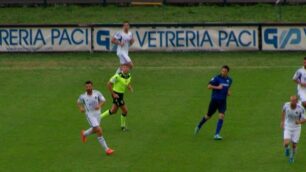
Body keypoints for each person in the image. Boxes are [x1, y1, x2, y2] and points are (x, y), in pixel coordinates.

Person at [194, 65, 233, 140]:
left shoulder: (229, 80)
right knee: (208, 116)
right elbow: (208, 86)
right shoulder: (216, 78)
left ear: (228, 72)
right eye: (222, 71)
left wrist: (228, 92)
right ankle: (199, 126)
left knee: (221, 116)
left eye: (225, 71)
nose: (223, 72)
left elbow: (227, 88)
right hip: (214, 100)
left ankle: (216, 134)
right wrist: (217, 87)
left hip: (223, 102)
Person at [77, 81, 114, 155]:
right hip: (90, 115)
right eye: (87, 87)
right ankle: (107, 149)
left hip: (98, 114)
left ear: (92, 87)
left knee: (96, 129)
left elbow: (103, 101)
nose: (88, 88)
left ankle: (84, 134)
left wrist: (99, 106)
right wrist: (81, 108)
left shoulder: (97, 93)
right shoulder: (83, 96)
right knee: (99, 129)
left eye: (89, 86)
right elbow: (78, 102)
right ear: (85, 87)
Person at [101, 65, 133, 131]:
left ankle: (98, 117)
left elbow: (127, 82)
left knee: (113, 111)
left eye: (127, 68)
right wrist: (113, 94)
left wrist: (129, 87)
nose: (126, 69)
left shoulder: (129, 75)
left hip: (121, 95)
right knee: (125, 110)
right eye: (124, 67)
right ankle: (123, 127)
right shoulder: (117, 76)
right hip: (117, 95)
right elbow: (108, 84)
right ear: (122, 68)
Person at [281, 95, 306, 163]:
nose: (291, 102)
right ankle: (287, 149)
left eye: (293, 101)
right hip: (288, 126)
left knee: (294, 145)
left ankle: (292, 157)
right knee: (286, 143)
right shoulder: (286, 105)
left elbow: (304, 119)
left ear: (296, 101)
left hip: (296, 128)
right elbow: (283, 111)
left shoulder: (301, 108)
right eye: (291, 100)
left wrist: (299, 122)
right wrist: (282, 122)